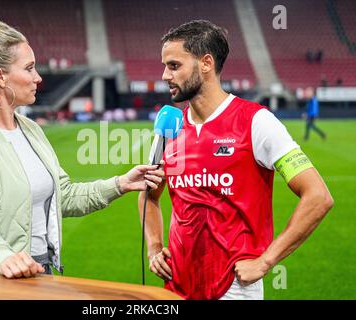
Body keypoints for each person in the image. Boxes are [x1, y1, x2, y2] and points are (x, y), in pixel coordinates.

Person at [0, 21, 164, 285]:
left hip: (37, 272)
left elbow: (64, 195)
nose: (38, 78)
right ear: (0, 76)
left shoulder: (31, 130)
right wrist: (1, 257)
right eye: (29, 68)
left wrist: (120, 184)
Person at [138, 20, 334, 300]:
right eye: (165, 66)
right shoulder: (169, 128)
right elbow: (149, 196)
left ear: (206, 63)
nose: (165, 75)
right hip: (177, 286)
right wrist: (155, 247)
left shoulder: (256, 122)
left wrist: (266, 261)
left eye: (174, 65)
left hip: (234, 290)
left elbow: (318, 196)